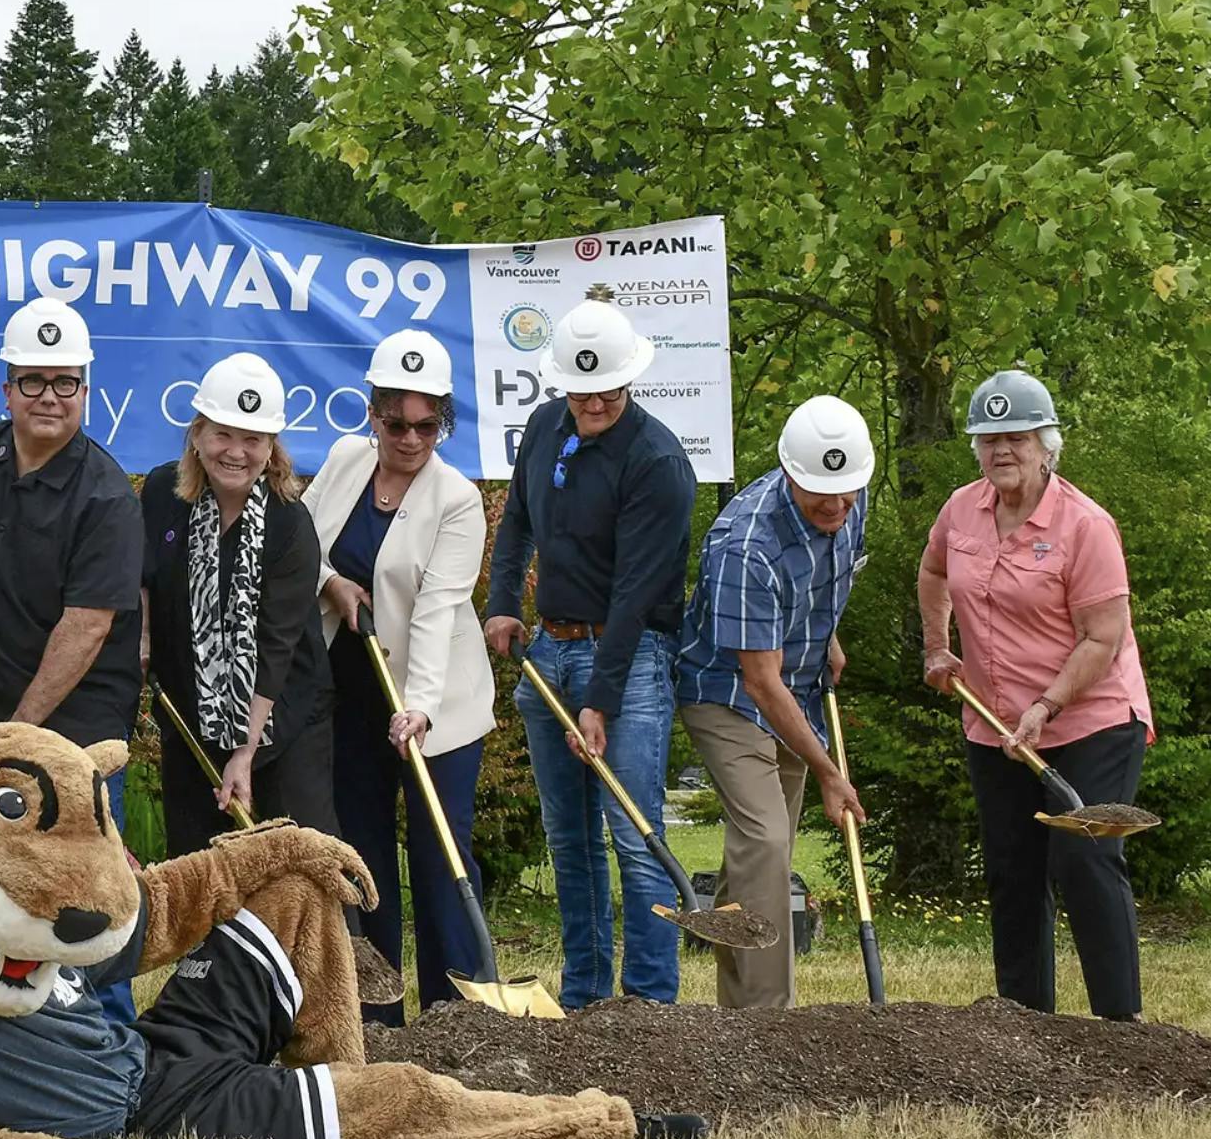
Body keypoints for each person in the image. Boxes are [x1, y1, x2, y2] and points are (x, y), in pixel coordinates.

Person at [0, 297, 144, 1020]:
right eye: (33, 380)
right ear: (6, 386)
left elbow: (87, 626)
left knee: (84, 889)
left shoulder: (106, 495)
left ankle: (108, 1041)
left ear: (85, 390)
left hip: (75, 725)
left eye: (64, 382)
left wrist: (16, 735)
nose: (49, 396)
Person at [484, 287, 697, 1010]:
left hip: (628, 660)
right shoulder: (546, 426)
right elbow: (515, 521)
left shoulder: (658, 462)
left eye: (603, 390)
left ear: (629, 379)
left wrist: (601, 700)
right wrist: (504, 604)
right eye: (579, 391)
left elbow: (637, 593)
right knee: (569, 840)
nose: (591, 403)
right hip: (551, 649)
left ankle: (647, 1009)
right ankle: (584, 999)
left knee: (636, 841)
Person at [919, 370, 1151, 1020]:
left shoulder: (1086, 526)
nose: (1002, 451)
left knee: (1083, 856)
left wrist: (1045, 706)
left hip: (1091, 717)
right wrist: (938, 646)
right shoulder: (961, 510)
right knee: (1012, 870)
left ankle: (1120, 1025)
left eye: (1016, 438)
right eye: (988, 439)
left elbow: (1103, 638)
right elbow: (934, 569)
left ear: (1048, 444)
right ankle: (1024, 1027)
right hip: (995, 722)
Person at [304, 329, 496, 1023]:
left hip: (434, 702)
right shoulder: (346, 458)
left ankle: (455, 1013)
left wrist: (417, 708)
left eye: (427, 424)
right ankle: (378, 1013)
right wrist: (332, 585)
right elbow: (302, 542)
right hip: (350, 693)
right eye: (397, 422)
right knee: (364, 855)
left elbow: (439, 611)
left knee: (441, 859)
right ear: (373, 413)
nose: (411, 438)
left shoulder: (457, 499)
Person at [674, 395, 874, 1009]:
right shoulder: (744, 545)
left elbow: (824, 578)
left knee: (768, 849)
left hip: (800, 685)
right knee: (764, 839)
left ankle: (734, 992)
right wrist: (829, 773)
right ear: (790, 474)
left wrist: (826, 633)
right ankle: (766, 1024)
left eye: (847, 493)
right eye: (822, 496)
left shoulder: (848, 495)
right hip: (727, 693)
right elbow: (759, 680)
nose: (838, 507)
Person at [139, 353, 333, 858]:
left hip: (281, 722)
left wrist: (244, 752)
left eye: (253, 439)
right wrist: (142, 639)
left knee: (296, 865)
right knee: (202, 866)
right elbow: (140, 576)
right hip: (189, 715)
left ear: (271, 450)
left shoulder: (290, 526)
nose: (236, 452)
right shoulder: (162, 492)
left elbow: (276, 647)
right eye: (224, 434)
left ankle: (331, 943)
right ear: (198, 436)